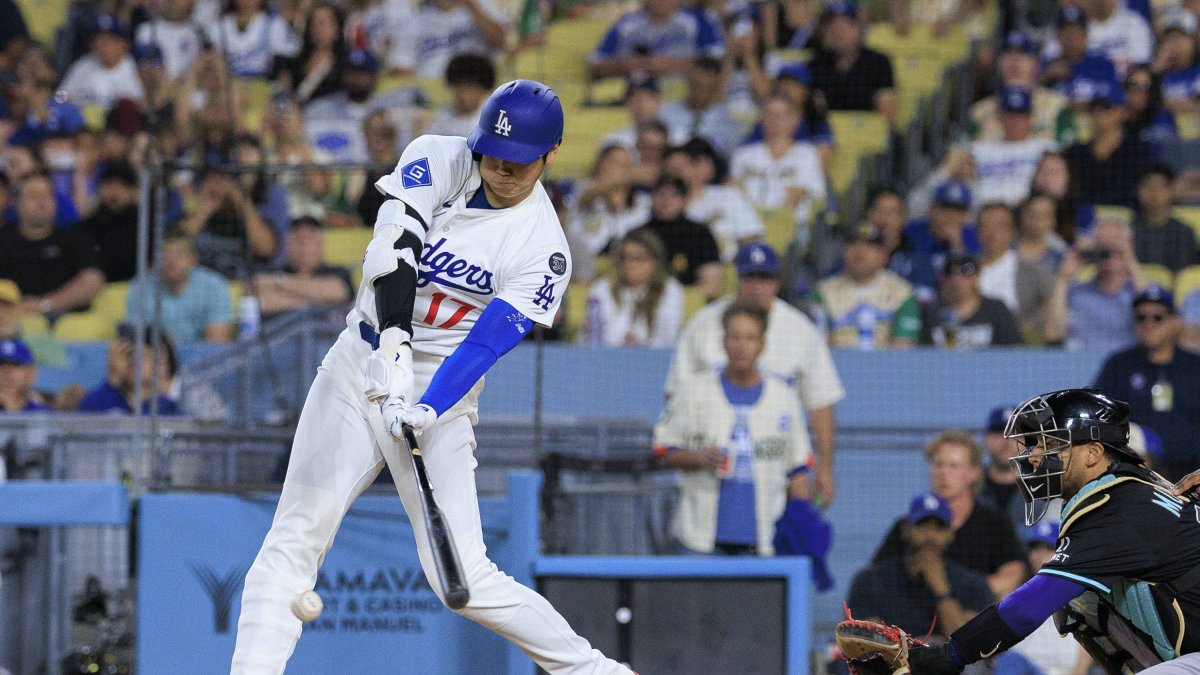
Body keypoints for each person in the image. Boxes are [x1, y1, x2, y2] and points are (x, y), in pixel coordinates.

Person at [230, 79, 632, 674]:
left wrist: (432, 405)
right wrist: (393, 338)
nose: (499, 169)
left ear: (551, 157)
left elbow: (489, 341)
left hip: (442, 380)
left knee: (462, 578)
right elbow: (392, 248)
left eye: (517, 162)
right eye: (492, 154)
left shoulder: (545, 248)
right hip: (360, 358)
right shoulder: (437, 156)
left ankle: (597, 671)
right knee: (294, 537)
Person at [897, 389, 1200, 675]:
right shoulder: (1135, 491)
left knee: (1067, 597)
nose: (1033, 456)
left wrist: (949, 655)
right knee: (1081, 605)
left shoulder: (1118, 508)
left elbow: (1029, 607)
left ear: (1093, 452)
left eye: (1052, 444)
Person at [667, 242, 844, 506]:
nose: (757, 286)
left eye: (765, 278)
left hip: (776, 462)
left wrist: (826, 467)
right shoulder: (704, 325)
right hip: (713, 461)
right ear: (737, 279)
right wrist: (691, 454)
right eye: (750, 277)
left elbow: (821, 403)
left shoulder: (800, 330)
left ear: (777, 282)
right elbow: (675, 395)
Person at [653, 302, 812, 555]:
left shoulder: (784, 398)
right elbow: (661, 452)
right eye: (734, 337)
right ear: (724, 342)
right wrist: (699, 457)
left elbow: (797, 472)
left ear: (762, 344)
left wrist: (805, 528)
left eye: (750, 338)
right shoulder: (694, 390)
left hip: (764, 541)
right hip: (698, 539)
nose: (741, 346)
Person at [872, 430, 1028, 598]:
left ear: (974, 472)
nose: (944, 474)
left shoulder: (993, 523)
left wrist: (955, 594)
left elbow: (1013, 574)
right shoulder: (909, 524)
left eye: (953, 466)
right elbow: (876, 575)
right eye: (938, 465)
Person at [847, 491, 995, 638]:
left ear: (951, 534)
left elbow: (969, 646)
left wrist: (941, 590)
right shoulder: (870, 581)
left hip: (948, 662)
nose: (930, 536)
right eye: (922, 526)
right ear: (906, 529)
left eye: (939, 528)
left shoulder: (973, 585)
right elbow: (870, 647)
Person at [1093, 286, 1200, 482]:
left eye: (1157, 317)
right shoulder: (1119, 365)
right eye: (1141, 318)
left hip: (1192, 473)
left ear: (1175, 321)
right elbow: (1100, 418)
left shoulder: (1195, 367)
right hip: (1134, 475)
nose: (1148, 324)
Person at [0, 173, 104, 319]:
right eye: (33, 195)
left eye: (48, 195)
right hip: (13, 319)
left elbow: (92, 281)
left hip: (68, 319)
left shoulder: (74, 238)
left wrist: (44, 304)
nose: (42, 201)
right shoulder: (4, 242)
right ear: (16, 202)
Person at [994, 521, 1091, 675]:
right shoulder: (1016, 593)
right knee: (1012, 660)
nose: (1039, 555)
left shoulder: (1083, 596)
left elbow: (1085, 655)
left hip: (1062, 672)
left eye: (1049, 548)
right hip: (1023, 669)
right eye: (1035, 548)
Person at [1044, 216, 1147, 351]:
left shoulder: (1138, 291)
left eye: (1115, 243)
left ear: (1129, 247)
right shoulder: (1075, 292)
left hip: (1123, 366)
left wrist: (1131, 262)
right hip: (1078, 365)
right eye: (1102, 245)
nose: (1109, 250)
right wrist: (1063, 278)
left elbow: (1154, 317)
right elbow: (1053, 334)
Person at [813, 224, 920, 349]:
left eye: (869, 245)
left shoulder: (902, 292)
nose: (860, 250)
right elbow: (819, 344)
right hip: (836, 363)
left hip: (886, 365)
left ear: (884, 256)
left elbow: (903, 349)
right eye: (852, 244)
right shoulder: (824, 291)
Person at [579, 229, 684, 347]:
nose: (631, 265)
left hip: (653, 358)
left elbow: (669, 336)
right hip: (610, 357)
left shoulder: (669, 289)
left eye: (639, 259)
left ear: (655, 261)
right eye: (626, 258)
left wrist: (641, 342)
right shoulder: (602, 288)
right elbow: (593, 336)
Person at [125, 234, 235, 344]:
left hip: (205, 357)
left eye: (180, 255)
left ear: (193, 259)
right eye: (165, 255)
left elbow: (217, 342)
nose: (172, 261)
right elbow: (138, 340)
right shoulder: (141, 287)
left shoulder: (213, 285)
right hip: (160, 358)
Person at [1064, 76, 1152, 210]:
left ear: (1123, 112)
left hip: (1124, 223)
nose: (1098, 114)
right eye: (1094, 108)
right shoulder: (1075, 153)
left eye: (1106, 108)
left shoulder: (1139, 152)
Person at [631, 175, 723, 300]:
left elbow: (712, 285)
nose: (666, 200)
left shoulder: (700, 234)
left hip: (686, 304)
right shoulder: (638, 235)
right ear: (652, 197)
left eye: (674, 195)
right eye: (661, 194)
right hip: (640, 300)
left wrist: (675, 302)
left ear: (685, 200)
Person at [807, 0, 897, 125]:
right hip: (826, 138)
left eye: (844, 25)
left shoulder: (878, 63)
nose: (836, 31)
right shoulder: (815, 65)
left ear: (858, 29)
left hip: (867, 137)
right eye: (831, 25)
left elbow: (887, 118)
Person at [587, 0, 724, 80]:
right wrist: (623, 65)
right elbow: (595, 63)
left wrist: (670, 65)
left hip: (682, 92)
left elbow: (719, 58)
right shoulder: (626, 24)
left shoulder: (698, 20)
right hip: (631, 94)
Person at [250, 215, 354, 318]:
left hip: (328, 332)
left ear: (321, 244)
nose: (303, 245)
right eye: (297, 239)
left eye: (309, 239)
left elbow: (336, 292)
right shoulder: (272, 271)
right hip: (283, 332)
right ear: (287, 245)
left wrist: (278, 281)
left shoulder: (338, 272)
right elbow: (260, 301)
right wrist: (317, 300)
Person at [920, 254, 1023, 349]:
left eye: (966, 271)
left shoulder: (996, 310)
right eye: (950, 272)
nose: (957, 279)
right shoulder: (931, 313)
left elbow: (1012, 350)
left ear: (977, 277)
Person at [77, 327, 181, 415]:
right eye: (128, 355)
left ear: (161, 361)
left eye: (142, 355)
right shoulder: (106, 399)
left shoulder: (168, 407)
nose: (134, 361)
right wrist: (113, 380)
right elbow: (86, 413)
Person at [656, 57, 745, 158]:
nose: (699, 91)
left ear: (716, 86)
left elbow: (725, 152)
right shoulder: (665, 113)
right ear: (688, 81)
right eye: (695, 84)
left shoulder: (727, 120)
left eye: (706, 87)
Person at [58, 15, 145, 109]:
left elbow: (143, 105)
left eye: (109, 39)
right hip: (83, 122)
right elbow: (59, 97)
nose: (102, 45)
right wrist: (71, 100)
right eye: (98, 39)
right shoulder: (83, 65)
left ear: (123, 44)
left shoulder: (135, 68)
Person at [75, 159, 140, 283]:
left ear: (133, 192)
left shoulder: (144, 230)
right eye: (108, 183)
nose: (114, 191)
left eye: (123, 185)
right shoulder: (85, 229)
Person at [1132, 164, 1197, 273]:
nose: (1154, 192)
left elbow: (1184, 276)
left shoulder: (1184, 232)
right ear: (1138, 190)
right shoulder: (1128, 230)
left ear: (1172, 190)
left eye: (1161, 186)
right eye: (1148, 186)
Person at [977, 406, 1028, 538]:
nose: (1007, 441)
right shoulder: (969, 488)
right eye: (1000, 433)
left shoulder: (1044, 491)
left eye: (1015, 433)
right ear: (986, 439)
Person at [425, 52, 496, 138]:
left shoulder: (492, 123)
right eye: (458, 86)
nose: (462, 94)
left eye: (469, 87)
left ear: (483, 89)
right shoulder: (441, 118)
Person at [0, 338, 49, 412]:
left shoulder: (42, 414)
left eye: (15, 364)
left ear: (31, 374)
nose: (6, 372)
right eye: (1, 365)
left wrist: (11, 409)